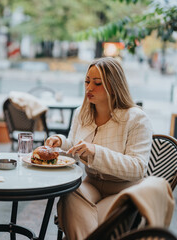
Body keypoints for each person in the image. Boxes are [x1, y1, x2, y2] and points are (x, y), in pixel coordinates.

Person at [45, 57, 153, 239]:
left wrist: (96, 151)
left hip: (123, 190)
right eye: (87, 81)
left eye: (97, 83)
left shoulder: (137, 119)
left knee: (76, 217)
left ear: (113, 85)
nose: (89, 88)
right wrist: (61, 141)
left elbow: (138, 168)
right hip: (92, 183)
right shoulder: (82, 113)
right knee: (69, 193)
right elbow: (75, 146)